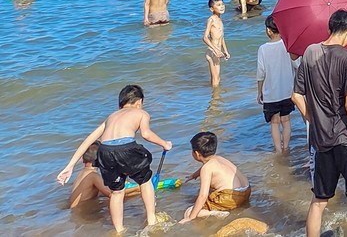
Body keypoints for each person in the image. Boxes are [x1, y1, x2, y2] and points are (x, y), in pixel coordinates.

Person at [291, 9, 347, 237]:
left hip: (320, 140)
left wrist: (312, 118)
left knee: (319, 199)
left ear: (330, 28)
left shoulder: (309, 53)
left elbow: (296, 96)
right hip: (346, 138)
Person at [56, 85, 172, 232]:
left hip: (105, 152)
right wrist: (164, 144)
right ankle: (151, 220)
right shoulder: (141, 113)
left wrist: (70, 166)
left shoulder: (110, 117)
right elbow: (146, 134)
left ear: (120, 104)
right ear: (139, 102)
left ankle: (119, 230)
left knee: (117, 192)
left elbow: (88, 140)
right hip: (126, 148)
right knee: (145, 181)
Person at [179, 132, 251, 222]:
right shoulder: (219, 158)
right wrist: (194, 175)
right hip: (246, 191)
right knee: (211, 190)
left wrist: (190, 218)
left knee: (189, 211)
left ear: (196, 153)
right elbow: (206, 168)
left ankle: (215, 213)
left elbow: (202, 195)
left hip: (230, 198)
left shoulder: (206, 168)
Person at [257, 15, 295, 153]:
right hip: (287, 91)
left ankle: (278, 150)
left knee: (274, 123)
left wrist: (259, 91)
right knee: (286, 121)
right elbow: (296, 63)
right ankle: (286, 148)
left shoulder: (263, 49)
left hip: (271, 93)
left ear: (268, 30)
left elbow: (261, 73)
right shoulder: (287, 44)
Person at [67, 143, 112, 208]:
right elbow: (111, 194)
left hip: (75, 210)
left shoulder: (83, 172)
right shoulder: (93, 175)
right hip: (82, 212)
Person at [203, 0, 230, 87]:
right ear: (211, 9)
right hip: (212, 52)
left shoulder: (220, 19)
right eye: (218, 5)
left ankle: (216, 97)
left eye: (222, 4)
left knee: (217, 78)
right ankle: (214, 99)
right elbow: (205, 38)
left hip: (218, 51)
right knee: (215, 79)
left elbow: (221, 37)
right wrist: (216, 50)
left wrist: (225, 50)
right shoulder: (211, 20)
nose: (222, 7)